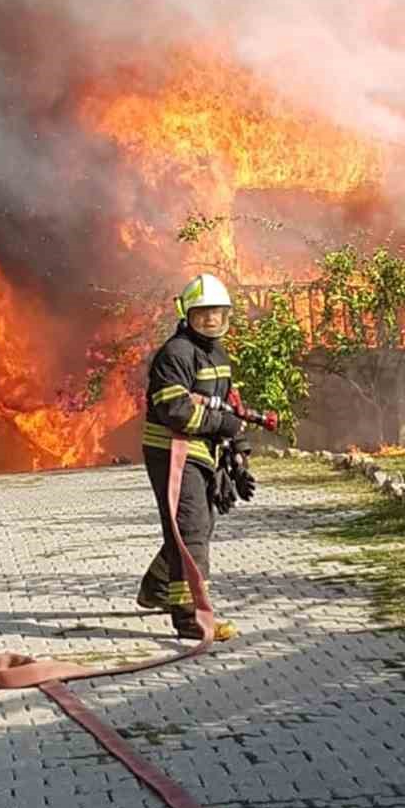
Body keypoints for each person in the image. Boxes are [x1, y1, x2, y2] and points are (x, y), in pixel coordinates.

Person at [137, 273, 276, 641]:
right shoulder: (176, 354)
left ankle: (155, 587)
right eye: (202, 313)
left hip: (202, 451)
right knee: (192, 529)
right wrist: (221, 424)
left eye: (217, 312)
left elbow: (229, 403)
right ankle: (191, 618)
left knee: (197, 526)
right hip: (172, 452)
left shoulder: (217, 353)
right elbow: (176, 411)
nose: (211, 319)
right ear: (187, 314)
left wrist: (238, 446)